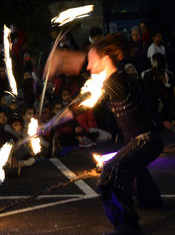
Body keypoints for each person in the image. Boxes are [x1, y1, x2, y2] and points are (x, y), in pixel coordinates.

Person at [44, 33, 164, 235]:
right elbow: (81, 102)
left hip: (147, 141)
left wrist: (50, 123)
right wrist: (50, 123)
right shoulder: (114, 80)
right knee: (131, 165)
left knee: (111, 172)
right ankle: (149, 197)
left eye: (91, 60)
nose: (89, 66)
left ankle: (127, 227)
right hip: (142, 141)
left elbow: (79, 107)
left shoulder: (114, 82)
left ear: (105, 57)